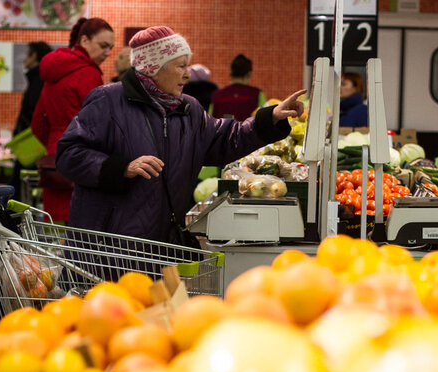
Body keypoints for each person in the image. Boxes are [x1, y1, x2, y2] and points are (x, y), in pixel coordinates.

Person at [55, 26, 304, 243]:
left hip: (160, 244)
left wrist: (271, 117)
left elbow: (227, 138)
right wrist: (122, 168)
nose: (187, 74)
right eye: (180, 66)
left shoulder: (189, 109)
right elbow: (69, 154)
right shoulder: (108, 100)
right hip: (110, 246)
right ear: (154, 68)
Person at [31, 17, 114, 223]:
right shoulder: (89, 73)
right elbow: (99, 125)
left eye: (110, 48)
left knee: (55, 236)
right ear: (84, 41)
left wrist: (54, 144)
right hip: (83, 163)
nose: (108, 53)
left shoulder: (52, 72)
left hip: (54, 164)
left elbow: (36, 123)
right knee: (81, 238)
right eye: (103, 46)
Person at [10, 41, 52, 200]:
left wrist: (19, 133)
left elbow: (33, 114)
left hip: (30, 144)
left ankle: (12, 222)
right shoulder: (41, 79)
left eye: (27, 54)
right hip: (33, 143)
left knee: (17, 190)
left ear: (34, 56)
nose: (24, 59)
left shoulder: (38, 81)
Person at [210, 54, 266, 120]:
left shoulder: (217, 95)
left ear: (231, 72)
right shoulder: (257, 94)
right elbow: (264, 120)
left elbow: (209, 122)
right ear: (249, 73)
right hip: (248, 130)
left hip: (221, 130)